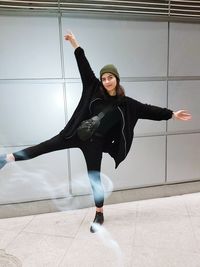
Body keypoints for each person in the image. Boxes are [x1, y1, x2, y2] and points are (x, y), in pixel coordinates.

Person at [0, 32, 192, 233]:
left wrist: (172, 114)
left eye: (110, 77)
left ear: (116, 79)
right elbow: (83, 64)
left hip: (95, 144)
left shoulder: (127, 104)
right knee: (44, 147)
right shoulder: (92, 88)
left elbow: (149, 109)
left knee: (94, 178)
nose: (106, 81)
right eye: (104, 78)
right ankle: (7, 158)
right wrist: (75, 43)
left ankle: (99, 213)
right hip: (74, 133)